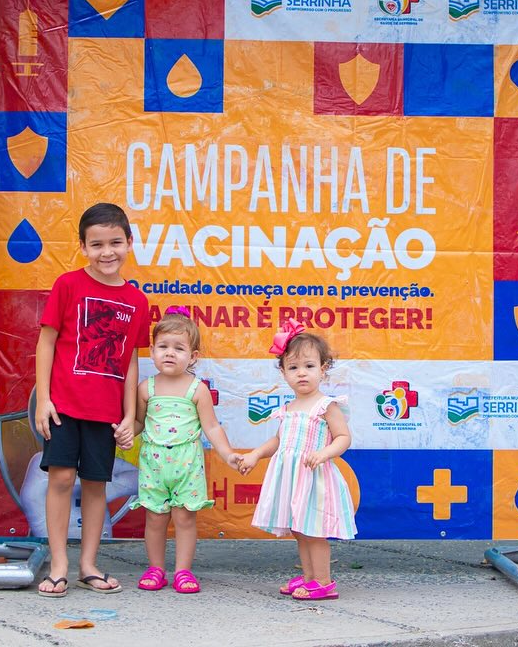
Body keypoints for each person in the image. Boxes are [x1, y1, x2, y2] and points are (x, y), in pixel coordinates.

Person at [34, 202, 149, 597]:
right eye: (97, 244)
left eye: (115, 242)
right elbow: (46, 342)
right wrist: (44, 399)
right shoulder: (67, 285)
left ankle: (88, 565)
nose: (107, 252)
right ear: (83, 246)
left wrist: (130, 415)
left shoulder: (137, 301)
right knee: (61, 478)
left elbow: (131, 361)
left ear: (129, 242)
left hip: (106, 413)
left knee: (96, 485)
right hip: (64, 406)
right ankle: (59, 565)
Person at [235, 320, 357, 601]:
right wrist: (255, 455)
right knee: (300, 530)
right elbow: (278, 441)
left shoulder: (327, 405)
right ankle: (309, 577)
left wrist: (324, 453)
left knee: (314, 531)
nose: (301, 373)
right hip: (293, 479)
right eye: (293, 367)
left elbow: (343, 438)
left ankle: (324, 582)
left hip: (315, 479)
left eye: (309, 366)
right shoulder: (288, 408)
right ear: (283, 373)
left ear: (323, 369)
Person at [129, 306, 240, 594]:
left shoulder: (197, 390)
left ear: (193, 356)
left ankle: (183, 571)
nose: (170, 353)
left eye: (179, 348)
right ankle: (156, 568)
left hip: (187, 465)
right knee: (154, 519)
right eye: (163, 347)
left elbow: (212, 427)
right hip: (153, 465)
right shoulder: (146, 388)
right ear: (153, 351)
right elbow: (139, 423)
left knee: (184, 518)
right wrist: (125, 433)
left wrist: (228, 453)